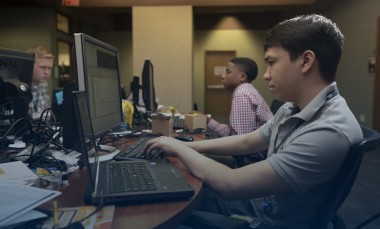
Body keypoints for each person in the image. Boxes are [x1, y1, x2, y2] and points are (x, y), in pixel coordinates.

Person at [143, 14, 363, 228]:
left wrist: (178, 149)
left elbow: (230, 184)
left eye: (271, 62)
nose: (266, 75)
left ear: (306, 61)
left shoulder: (328, 131)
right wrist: (185, 145)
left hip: (261, 221)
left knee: (163, 206)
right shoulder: (292, 107)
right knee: (177, 188)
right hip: (256, 203)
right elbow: (248, 141)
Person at [207, 57, 273, 166]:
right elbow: (234, 133)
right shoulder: (247, 90)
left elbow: (240, 142)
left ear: (242, 76)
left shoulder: (242, 94)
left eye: (227, 72)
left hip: (252, 159)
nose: (222, 76)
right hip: (256, 153)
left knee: (203, 156)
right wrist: (208, 121)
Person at [27, 45, 54, 119]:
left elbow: (47, 112)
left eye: (49, 68)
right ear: (29, 65)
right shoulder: (18, 86)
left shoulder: (43, 83)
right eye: (43, 67)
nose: (47, 72)